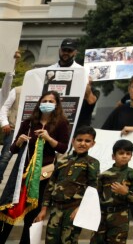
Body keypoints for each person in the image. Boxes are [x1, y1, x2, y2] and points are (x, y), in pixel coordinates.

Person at [0, 92, 71, 244]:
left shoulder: (61, 123)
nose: (47, 103)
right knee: (9, 210)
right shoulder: (29, 123)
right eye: (44, 101)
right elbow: (13, 149)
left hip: (43, 175)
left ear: (57, 104)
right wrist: (18, 141)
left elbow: (64, 148)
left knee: (32, 215)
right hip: (22, 174)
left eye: (51, 101)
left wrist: (49, 138)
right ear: (39, 103)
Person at [36, 125, 98, 244]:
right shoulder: (62, 161)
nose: (83, 143)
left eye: (87, 141)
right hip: (56, 209)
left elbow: (93, 188)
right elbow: (50, 185)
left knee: (68, 241)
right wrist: (44, 209)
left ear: (93, 144)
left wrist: (81, 209)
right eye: (79, 140)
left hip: (73, 209)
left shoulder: (92, 162)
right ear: (73, 141)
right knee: (50, 241)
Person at [89, 139, 133, 244]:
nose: (125, 156)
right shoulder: (104, 175)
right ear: (113, 156)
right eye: (121, 153)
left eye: (128, 153)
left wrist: (125, 192)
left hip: (120, 217)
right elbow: (95, 196)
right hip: (102, 216)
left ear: (131, 156)